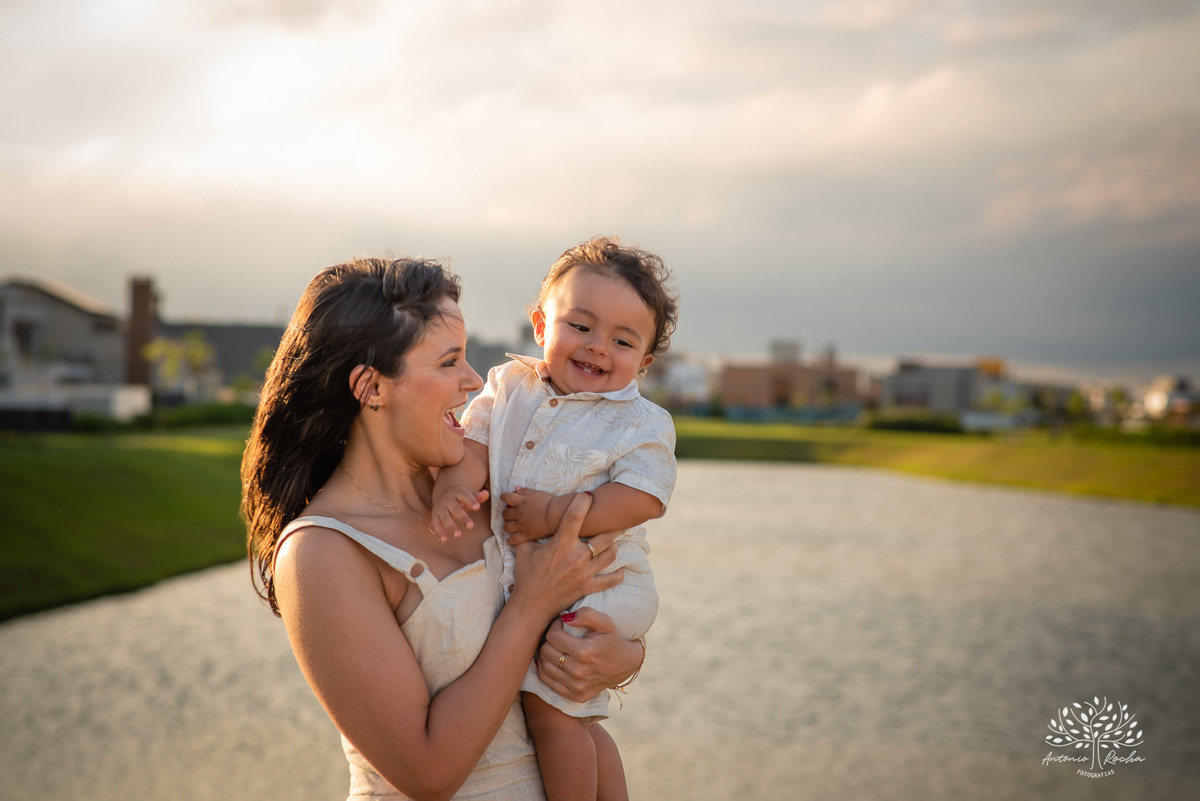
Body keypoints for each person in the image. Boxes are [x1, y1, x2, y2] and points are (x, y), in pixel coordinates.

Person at [241, 256, 647, 801]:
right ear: (371, 387)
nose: (474, 380)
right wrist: (530, 605)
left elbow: (602, 588)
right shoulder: (324, 551)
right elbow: (428, 773)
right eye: (448, 362)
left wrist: (624, 660)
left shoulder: (484, 483)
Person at [431, 237, 678, 801]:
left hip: (607, 580)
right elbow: (472, 445)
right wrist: (452, 485)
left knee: (550, 707)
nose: (597, 348)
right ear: (541, 325)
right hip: (560, 582)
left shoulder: (640, 421)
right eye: (581, 326)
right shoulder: (508, 386)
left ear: (643, 363)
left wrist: (555, 513)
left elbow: (645, 497)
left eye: (622, 340)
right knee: (578, 717)